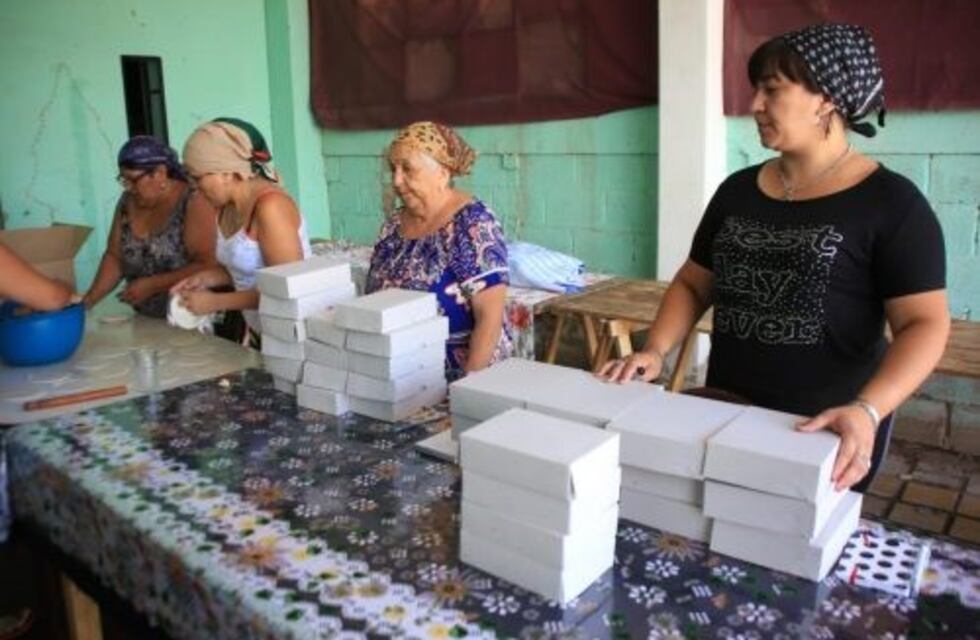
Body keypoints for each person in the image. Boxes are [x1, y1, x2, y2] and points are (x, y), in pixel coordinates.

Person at [600, 24, 950, 493]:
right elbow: (693, 284)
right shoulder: (738, 191)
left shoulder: (892, 204)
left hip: (822, 428)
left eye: (772, 91)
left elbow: (925, 324)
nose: (755, 106)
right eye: (756, 90)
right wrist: (654, 350)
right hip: (725, 412)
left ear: (825, 99)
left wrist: (867, 410)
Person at [366, 121, 511, 380]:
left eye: (408, 169)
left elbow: (490, 316)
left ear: (442, 174)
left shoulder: (471, 222)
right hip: (398, 379)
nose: (397, 181)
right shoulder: (392, 226)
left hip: (459, 376)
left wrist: (468, 389)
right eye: (393, 169)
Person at [171, 118, 311, 337]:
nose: (195, 188)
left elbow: (288, 289)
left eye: (198, 178)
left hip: (295, 334)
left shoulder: (271, 208)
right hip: (263, 330)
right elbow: (246, 270)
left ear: (227, 172)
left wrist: (216, 302)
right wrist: (206, 278)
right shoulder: (225, 207)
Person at [83, 136, 218, 317]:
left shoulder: (193, 200)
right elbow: (115, 257)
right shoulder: (127, 202)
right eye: (123, 180)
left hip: (190, 316)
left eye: (133, 180)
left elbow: (207, 264)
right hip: (147, 319)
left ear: (160, 173)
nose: (128, 188)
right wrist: (89, 300)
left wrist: (153, 285)